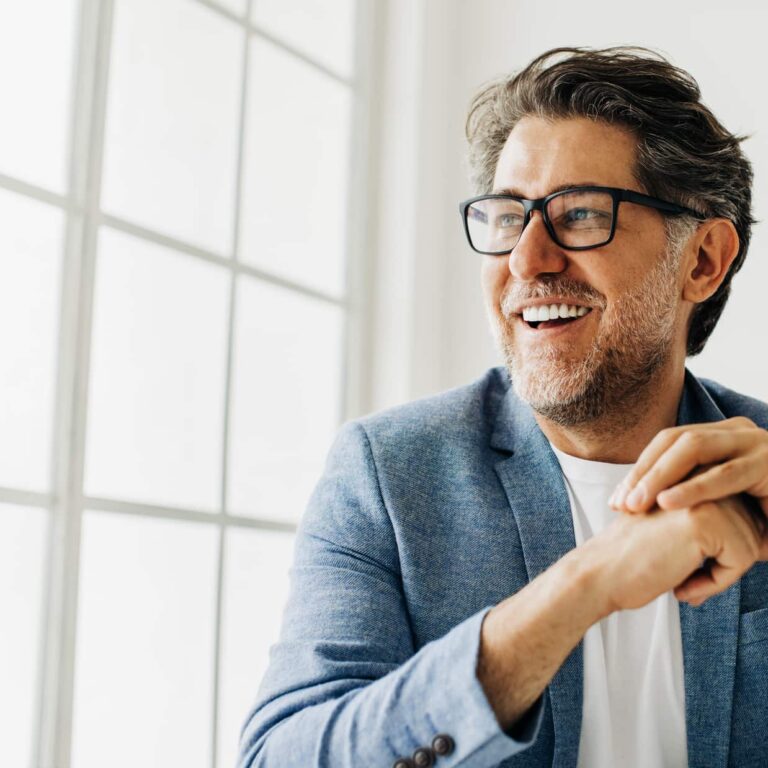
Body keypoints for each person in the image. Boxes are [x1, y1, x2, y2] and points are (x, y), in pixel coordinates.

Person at [237, 47, 768, 768]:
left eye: (579, 214)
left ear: (703, 259)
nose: (526, 260)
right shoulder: (389, 475)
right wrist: (583, 587)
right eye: (507, 217)